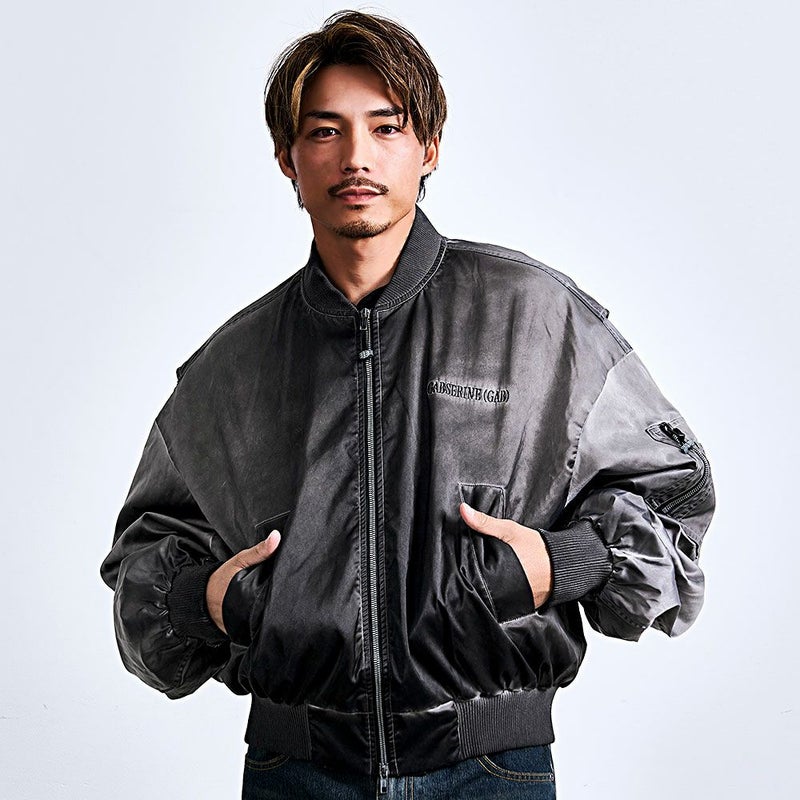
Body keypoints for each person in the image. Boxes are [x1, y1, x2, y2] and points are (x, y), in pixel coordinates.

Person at [100, 10, 715, 799]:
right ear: (288, 158)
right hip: (295, 774)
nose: (356, 156)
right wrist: (212, 599)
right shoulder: (235, 364)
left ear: (429, 147)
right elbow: (142, 563)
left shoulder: (532, 316)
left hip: (491, 771)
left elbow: (675, 491)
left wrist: (557, 564)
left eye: (385, 127)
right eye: (325, 131)